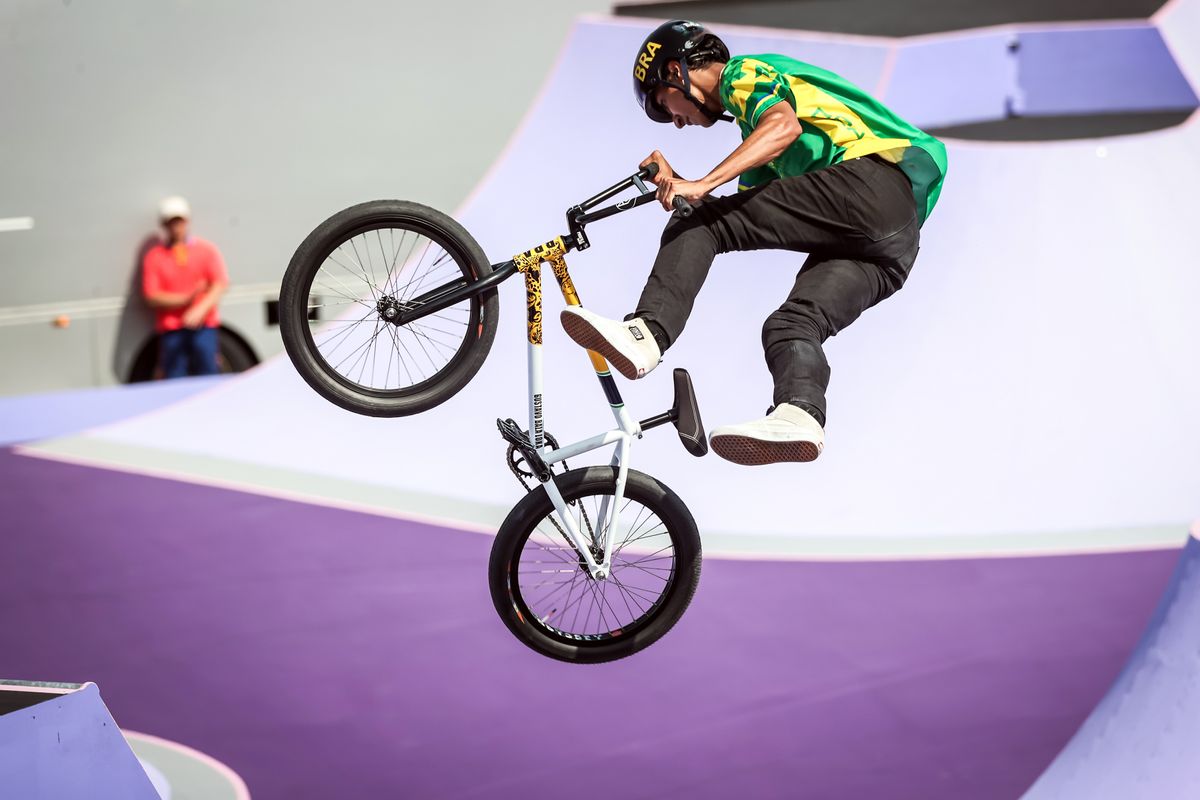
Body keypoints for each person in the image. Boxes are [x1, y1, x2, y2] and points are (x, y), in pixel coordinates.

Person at [560, 19, 947, 466]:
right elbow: (737, 215)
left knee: (705, 219)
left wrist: (700, 188)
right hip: (893, 245)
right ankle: (800, 413)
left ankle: (647, 332)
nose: (676, 124)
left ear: (675, 71)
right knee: (791, 325)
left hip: (871, 186)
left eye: (664, 107)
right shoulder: (757, 146)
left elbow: (782, 127)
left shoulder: (741, 74)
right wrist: (682, 186)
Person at [141, 196, 229, 378]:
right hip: (172, 329)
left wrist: (200, 310)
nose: (176, 227)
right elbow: (152, 296)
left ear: (186, 221)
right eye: (170, 222)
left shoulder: (206, 250)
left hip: (204, 326)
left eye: (179, 221)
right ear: (164, 225)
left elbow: (219, 283)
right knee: (175, 378)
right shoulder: (155, 256)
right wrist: (186, 299)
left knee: (209, 375)